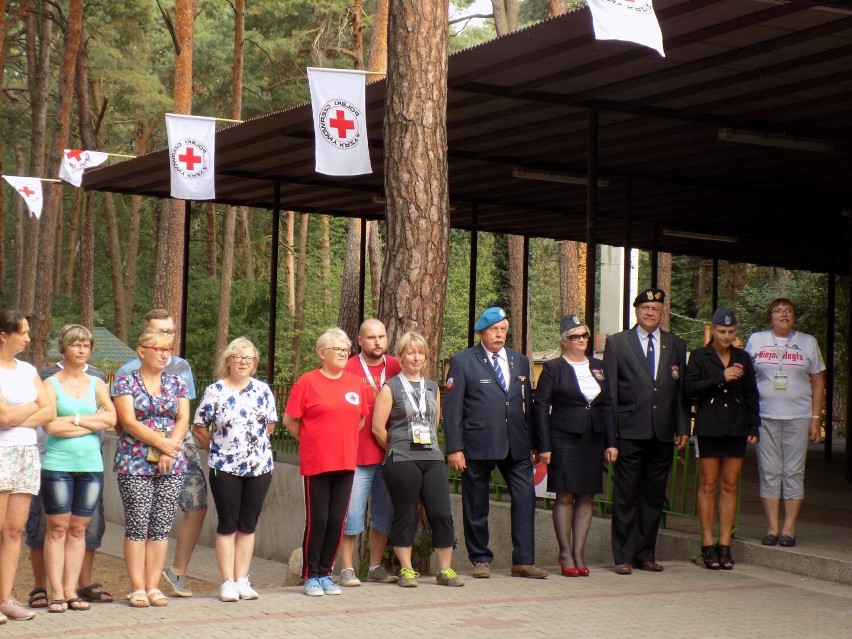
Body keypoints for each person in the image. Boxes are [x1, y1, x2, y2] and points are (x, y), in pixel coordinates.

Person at [443, 307, 547, 579]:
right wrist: (455, 447)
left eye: (503, 329)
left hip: (517, 443)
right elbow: (452, 409)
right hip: (478, 443)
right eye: (493, 330)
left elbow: (528, 403)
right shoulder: (464, 361)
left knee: (525, 499)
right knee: (477, 502)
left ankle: (523, 560)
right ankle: (480, 559)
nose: (499, 335)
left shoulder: (520, 360)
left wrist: (535, 441)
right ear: (481, 332)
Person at [113, 309, 205, 597]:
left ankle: (153, 586)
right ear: (142, 351)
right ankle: (137, 587)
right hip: (135, 460)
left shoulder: (176, 381)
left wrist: (170, 449)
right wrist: (161, 443)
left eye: (168, 349)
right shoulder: (126, 379)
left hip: (171, 460)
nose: (165, 354)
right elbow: (127, 421)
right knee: (138, 524)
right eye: (158, 349)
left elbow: (182, 419)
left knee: (161, 526)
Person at [603, 288, 689, 575]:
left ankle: (645, 554)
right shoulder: (618, 343)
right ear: (636, 311)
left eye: (656, 308)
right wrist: (611, 436)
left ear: (662, 312)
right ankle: (623, 556)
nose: (650, 313)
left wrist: (682, 427)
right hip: (630, 430)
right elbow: (611, 393)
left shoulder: (675, 344)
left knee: (653, 496)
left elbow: (679, 392)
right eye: (645, 308)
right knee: (626, 495)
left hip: (662, 432)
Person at [372, 332, 463, 588]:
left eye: (420, 353)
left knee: (441, 512)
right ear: (400, 357)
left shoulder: (433, 387)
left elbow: (434, 423)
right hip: (401, 458)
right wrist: (396, 448)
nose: (416, 357)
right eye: (410, 353)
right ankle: (407, 570)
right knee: (405, 512)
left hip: (431, 456)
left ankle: (445, 569)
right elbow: (378, 427)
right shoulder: (391, 387)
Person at [28, 342, 113, 609]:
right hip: (57, 465)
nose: (82, 350)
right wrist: (88, 422)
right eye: (76, 345)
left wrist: (72, 421)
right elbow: (50, 425)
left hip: (90, 466)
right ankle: (56, 593)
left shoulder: (97, 383)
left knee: (78, 529)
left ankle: (71, 590)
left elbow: (110, 419)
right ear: (63, 349)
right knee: (57, 529)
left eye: (87, 345)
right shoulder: (50, 383)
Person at [283, 328, 367, 597]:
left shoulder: (355, 384)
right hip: (317, 462)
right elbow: (290, 421)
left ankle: (326, 573)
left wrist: (342, 440)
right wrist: (312, 440)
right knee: (318, 519)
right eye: (337, 350)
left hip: (345, 461)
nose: (343, 354)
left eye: (346, 350)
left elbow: (361, 419)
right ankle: (311, 575)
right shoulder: (307, 382)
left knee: (336, 519)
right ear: (322, 353)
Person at [192, 338, 277, 602]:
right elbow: (199, 427)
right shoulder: (215, 391)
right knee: (228, 523)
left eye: (248, 358)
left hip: (259, 466)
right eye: (237, 357)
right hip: (224, 467)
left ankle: (242, 578)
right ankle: (227, 581)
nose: (243, 362)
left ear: (254, 364)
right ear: (228, 360)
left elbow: (270, 426)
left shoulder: (263, 390)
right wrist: (215, 449)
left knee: (248, 524)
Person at [533, 315, 618, 577]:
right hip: (563, 437)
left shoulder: (598, 366)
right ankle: (565, 552)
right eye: (575, 336)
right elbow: (540, 406)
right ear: (564, 341)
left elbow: (607, 404)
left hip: (592, 438)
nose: (581, 340)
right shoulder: (554, 368)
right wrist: (543, 445)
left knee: (587, 495)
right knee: (565, 495)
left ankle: (580, 552)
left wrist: (611, 442)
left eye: (584, 335)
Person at [745, 298, 825, 548]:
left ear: (794, 317)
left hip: (799, 418)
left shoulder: (808, 342)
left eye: (788, 311)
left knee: (793, 471)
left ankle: (789, 528)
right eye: (778, 311)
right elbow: (746, 380)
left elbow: (818, 382)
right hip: (765, 417)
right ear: (769, 317)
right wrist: (748, 418)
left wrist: (815, 419)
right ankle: (772, 527)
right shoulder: (756, 340)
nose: (783, 315)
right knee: (769, 471)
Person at [684, 308, 760, 570]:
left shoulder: (743, 357)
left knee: (730, 484)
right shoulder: (700, 356)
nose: (726, 336)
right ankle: (707, 544)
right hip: (710, 425)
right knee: (708, 485)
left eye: (730, 331)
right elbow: (689, 389)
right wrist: (720, 377)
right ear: (712, 329)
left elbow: (751, 393)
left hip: (737, 426)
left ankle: (725, 545)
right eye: (721, 331)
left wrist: (754, 425)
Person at [0, 309, 55, 622]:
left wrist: (17, 411)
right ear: (3, 335)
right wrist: (32, 406)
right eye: (21, 332)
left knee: (13, 530)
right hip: (1, 453)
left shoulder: (28, 369)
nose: (28, 338)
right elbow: (3, 418)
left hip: (26, 454)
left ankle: (5, 598)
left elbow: (49, 411)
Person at [338, 319, 401, 587]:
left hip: (389, 456)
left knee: (384, 514)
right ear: (359, 340)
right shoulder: (349, 367)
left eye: (382, 337)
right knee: (351, 515)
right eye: (371, 337)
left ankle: (375, 566)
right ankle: (347, 569)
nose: (377, 342)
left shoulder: (397, 366)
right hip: (357, 456)